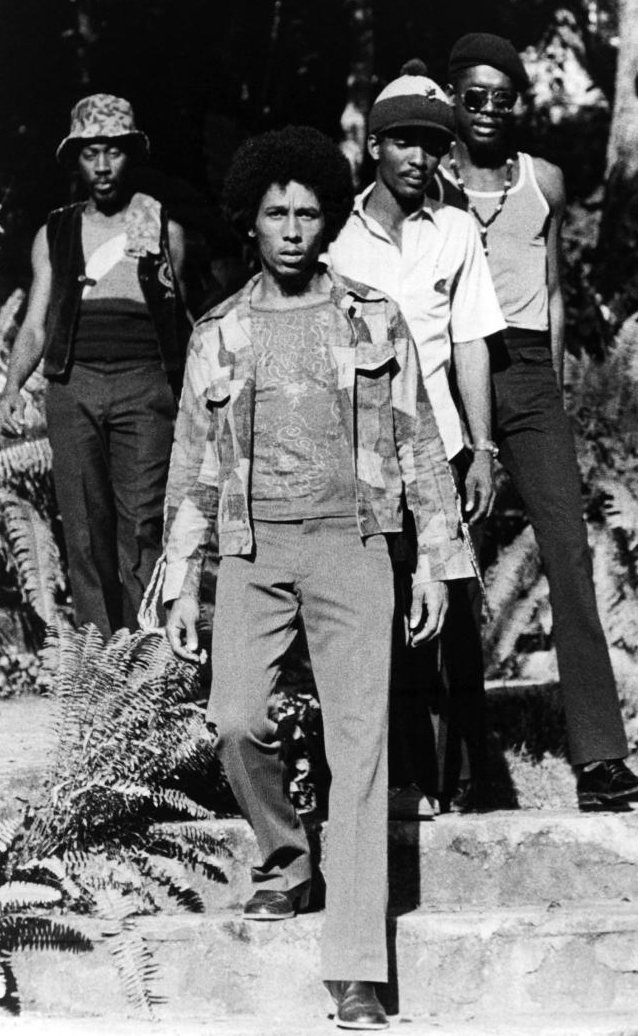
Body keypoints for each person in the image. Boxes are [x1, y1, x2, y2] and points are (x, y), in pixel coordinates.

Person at [162, 126, 470, 1030]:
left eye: (307, 213)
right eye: (275, 214)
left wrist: (437, 566)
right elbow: (192, 463)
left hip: (355, 546)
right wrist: (184, 579)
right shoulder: (218, 331)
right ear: (249, 224)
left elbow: (419, 439)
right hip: (254, 552)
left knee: (361, 748)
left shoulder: (374, 316)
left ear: (328, 219)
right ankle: (287, 856)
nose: (293, 229)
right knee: (236, 718)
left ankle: (358, 967)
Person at [438, 31, 638, 811]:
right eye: (474, 97)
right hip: (450, 374)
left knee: (568, 554)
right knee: (448, 560)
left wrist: (554, 386)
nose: (489, 111)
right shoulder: (429, 185)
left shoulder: (546, 182)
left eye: (504, 97)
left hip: (528, 372)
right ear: (452, 102)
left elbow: (556, 287)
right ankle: (458, 765)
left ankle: (599, 761)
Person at [328, 67, 507, 815]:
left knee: (458, 614)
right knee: (384, 608)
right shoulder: (336, 238)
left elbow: (469, 343)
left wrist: (485, 451)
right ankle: (404, 779)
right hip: (367, 453)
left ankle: (472, 780)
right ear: (374, 146)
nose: (418, 158)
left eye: (431, 145)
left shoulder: (457, 232)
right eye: (403, 141)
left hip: (445, 446)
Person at [0, 93, 187, 637]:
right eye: (90, 154)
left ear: (132, 154)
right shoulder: (54, 233)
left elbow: (179, 318)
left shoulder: (160, 226)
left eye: (113, 152)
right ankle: (100, 664)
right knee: (83, 526)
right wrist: (13, 385)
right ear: (75, 161)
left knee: (142, 523)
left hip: (144, 387)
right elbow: (36, 321)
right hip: (73, 386)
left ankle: (150, 660)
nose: (102, 167)